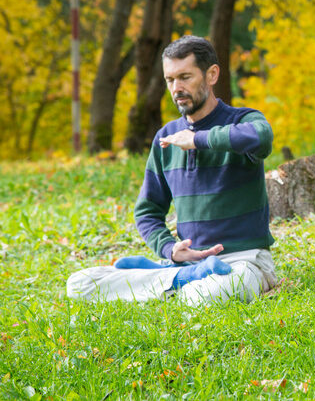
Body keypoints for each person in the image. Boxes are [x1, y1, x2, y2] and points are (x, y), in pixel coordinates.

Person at [67, 35, 277, 304]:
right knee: (80, 284)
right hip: (187, 265)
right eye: (170, 80)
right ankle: (178, 277)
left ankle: (166, 284)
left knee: (202, 296)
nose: (177, 88)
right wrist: (170, 249)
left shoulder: (243, 120)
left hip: (243, 262)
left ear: (212, 75)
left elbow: (262, 137)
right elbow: (147, 210)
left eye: (185, 77)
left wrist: (198, 139)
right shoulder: (166, 137)